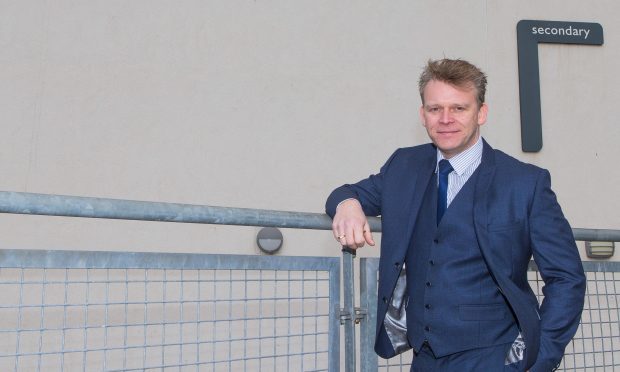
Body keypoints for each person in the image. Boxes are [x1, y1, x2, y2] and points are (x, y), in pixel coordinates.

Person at [325, 59, 585, 371]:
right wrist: (347, 205)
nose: (445, 119)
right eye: (435, 109)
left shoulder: (525, 183)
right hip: (424, 357)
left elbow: (567, 278)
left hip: (495, 357)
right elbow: (344, 193)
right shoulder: (403, 166)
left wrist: (538, 360)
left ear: (481, 113)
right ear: (423, 115)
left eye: (459, 108)